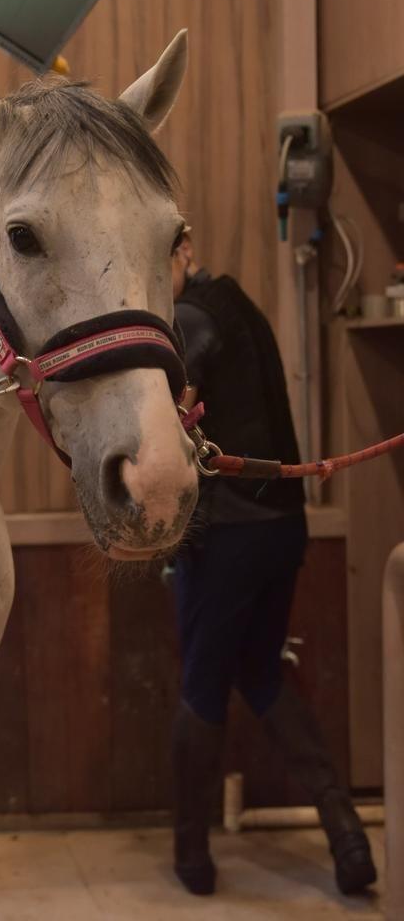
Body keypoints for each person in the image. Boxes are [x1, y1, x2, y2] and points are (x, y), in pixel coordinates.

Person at [169, 230, 376, 898]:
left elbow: (175, 416)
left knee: (202, 683)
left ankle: (191, 856)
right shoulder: (237, 304)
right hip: (285, 526)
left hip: (230, 532)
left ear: (184, 250)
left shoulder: (189, 318)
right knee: (260, 673)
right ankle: (347, 835)